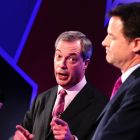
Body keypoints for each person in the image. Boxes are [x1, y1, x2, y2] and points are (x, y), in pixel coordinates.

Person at [13, 31, 108, 140]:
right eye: (58, 56)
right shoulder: (41, 99)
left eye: (72, 59)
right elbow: (23, 133)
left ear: (85, 63)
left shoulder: (101, 106)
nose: (62, 64)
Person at [91, 2, 140, 140]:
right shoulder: (130, 84)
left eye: (111, 37)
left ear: (136, 44)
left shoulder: (137, 89)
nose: (104, 42)